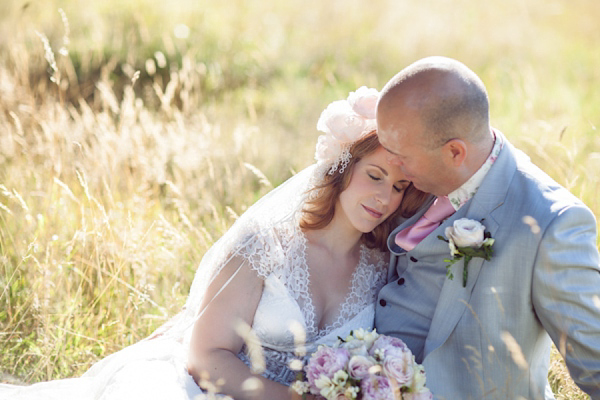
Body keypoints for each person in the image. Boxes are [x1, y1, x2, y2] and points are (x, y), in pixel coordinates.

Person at [0, 87, 427, 400]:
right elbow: (205, 356)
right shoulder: (267, 244)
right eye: (375, 176)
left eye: (399, 186)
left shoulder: (382, 265)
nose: (384, 197)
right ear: (341, 169)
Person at [374, 56, 600, 399]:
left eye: (401, 154)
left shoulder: (551, 223)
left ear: (454, 152)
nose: (391, 164)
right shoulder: (412, 179)